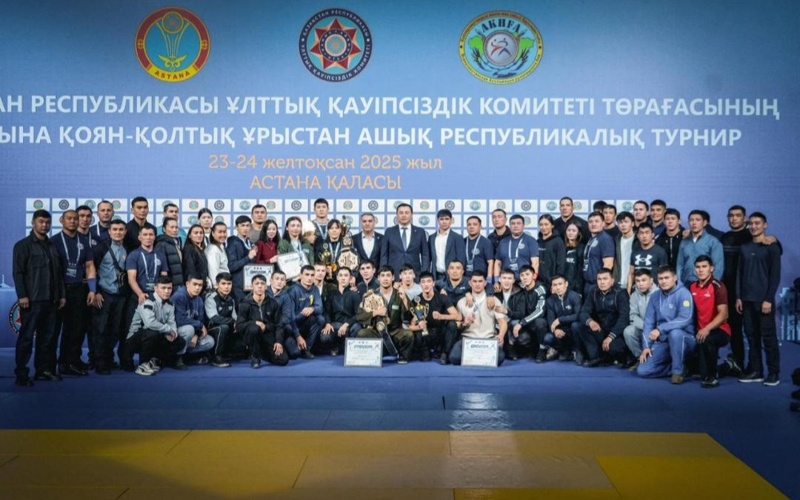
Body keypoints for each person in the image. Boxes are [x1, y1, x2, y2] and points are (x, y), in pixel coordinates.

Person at [12, 209, 66, 386]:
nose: (44, 225)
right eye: (41, 222)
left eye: (47, 222)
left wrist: (61, 295)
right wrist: (22, 295)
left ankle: (43, 371)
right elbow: (18, 273)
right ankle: (21, 374)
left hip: (52, 300)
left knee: (47, 339)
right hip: (32, 300)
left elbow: (58, 274)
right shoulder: (23, 245)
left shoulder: (52, 246)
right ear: (33, 222)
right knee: (26, 339)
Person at [737, 212, 782, 387]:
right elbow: (740, 274)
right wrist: (739, 297)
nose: (754, 226)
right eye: (751, 223)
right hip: (746, 300)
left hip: (764, 301)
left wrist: (768, 299)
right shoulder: (744, 247)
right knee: (751, 337)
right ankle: (757, 371)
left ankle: (773, 373)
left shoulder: (772, 247)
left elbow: (775, 276)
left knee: (768, 338)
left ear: (765, 225)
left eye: (757, 223)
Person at [53, 209, 97, 377]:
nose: (73, 221)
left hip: (79, 289)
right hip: (60, 290)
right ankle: (57, 364)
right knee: (56, 330)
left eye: (75, 219)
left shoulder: (84, 242)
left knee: (76, 329)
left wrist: (92, 289)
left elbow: (90, 266)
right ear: (61, 220)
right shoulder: (54, 241)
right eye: (69, 218)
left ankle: (72, 361)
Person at [636, 266, 696, 384]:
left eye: (666, 278)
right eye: (660, 278)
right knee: (643, 371)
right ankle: (682, 367)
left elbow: (685, 319)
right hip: (664, 341)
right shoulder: (655, 296)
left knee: (675, 333)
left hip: (685, 338)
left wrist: (660, 329)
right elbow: (648, 322)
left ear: (675, 278)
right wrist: (646, 346)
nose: (663, 281)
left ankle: (677, 372)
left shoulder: (684, 293)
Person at [124, 225, 168, 368]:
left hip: (155, 299)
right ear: (139, 237)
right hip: (138, 297)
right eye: (145, 235)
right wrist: (140, 293)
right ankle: (127, 360)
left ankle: (149, 360)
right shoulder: (134, 255)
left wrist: (161, 295)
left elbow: (164, 278)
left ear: (155, 237)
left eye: (151, 234)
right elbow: (131, 279)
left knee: (153, 329)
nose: (148, 237)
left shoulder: (160, 256)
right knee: (132, 329)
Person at [125, 277, 185, 376]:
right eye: (163, 288)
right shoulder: (147, 301)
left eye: (169, 288)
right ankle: (143, 365)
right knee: (152, 332)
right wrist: (168, 330)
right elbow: (150, 323)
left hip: (155, 336)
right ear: (155, 288)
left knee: (180, 341)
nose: (167, 291)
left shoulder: (170, 304)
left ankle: (154, 360)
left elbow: (172, 323)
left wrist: (172, 333)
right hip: (135, 339)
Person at [91, 219, 128, 374]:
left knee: (114, 330)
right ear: (109, 231)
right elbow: (91, 269)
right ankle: (100, 363)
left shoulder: (126, 248)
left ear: (125, 232)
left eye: (121, 229)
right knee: (101, 330)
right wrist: (95, 291)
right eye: (115, 229)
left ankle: (109, 359)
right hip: (103, 294)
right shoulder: (101, 248)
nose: (118, 232)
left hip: (120, 295)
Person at [356, 265, 415, 363]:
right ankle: (374, 355)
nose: (385, 279)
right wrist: (375, 313)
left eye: (388, 275)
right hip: (377, 332)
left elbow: (409, 317)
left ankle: (403, 356)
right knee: (362, 333)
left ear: (393, 277)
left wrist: (404, 299)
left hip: (395, 331)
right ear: (378, 278)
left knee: (408, 334)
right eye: (382, 276)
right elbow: (360, 316)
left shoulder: (399, 294)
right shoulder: (371, 295)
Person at [573, 268, 629, 367]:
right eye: (599, 279)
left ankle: (613, 357)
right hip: (600, 329)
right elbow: (583, 312)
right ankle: (596, 357)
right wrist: (590, 321)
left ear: (612, 281)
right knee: (579, 326)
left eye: (605, 279)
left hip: (616, 333)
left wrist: (611, 337)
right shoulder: (593, 292)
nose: (602, 282)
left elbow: (624, 318)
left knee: (615, 348)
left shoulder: (621, 293)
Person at [450, 271, 508, 366]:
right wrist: (465, 323)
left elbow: (502, 322)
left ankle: (473, 358)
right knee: (454, 358)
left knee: (500, 358)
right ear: (470, 283)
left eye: (480, 281)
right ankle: (480, 358)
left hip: (488, 339)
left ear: (485, 283)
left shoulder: (493, 300)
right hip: (468, 339)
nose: (477, 284)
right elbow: (457, 324)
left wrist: (501, 335)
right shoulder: (461, 302)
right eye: (475, 281)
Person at [689, 256, 731, 388]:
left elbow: (724, 314)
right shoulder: (691, 286)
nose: (701, 270)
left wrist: (707, 329)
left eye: (704, 267)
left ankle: (712, 378)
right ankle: (728, 366)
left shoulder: (718, 286)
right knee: (699, 372)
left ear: (711, 269)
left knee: (708, 339)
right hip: (700, 332)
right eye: (698, 267)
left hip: (720, 331)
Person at [237, 274, 289, 368]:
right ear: (252, 286)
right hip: (251, 336)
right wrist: (254, 323)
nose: (260, 286)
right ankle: (255, 358)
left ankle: (262, 353)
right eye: (257, 283)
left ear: (266, 286)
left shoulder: (273, 303)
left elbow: (279, 325)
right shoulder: (244, 303)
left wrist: (278, 341)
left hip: (268, 335)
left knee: (283, 360)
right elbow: (239, 325)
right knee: (255, 328)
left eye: (262, 283)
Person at [414, 272, 461, 364]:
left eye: (429, 281)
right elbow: (411, 322)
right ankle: (425, 351)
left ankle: (445, 353)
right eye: (423, 282)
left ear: (433, 283)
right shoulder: (416, 300)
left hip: (440, 332)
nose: (426, 284)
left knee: (452, 325)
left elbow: (458, 316)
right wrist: (418, 325)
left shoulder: (442, 297)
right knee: (417, 332)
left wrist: (441, 316)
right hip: (425, 333)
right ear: (420, 284)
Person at [172, 275, 216, 368]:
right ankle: (177, 357)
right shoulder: (179, 296)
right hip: (175, 333)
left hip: (191, 332)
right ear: (187, 284)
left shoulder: (199, 299)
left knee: (210, 341)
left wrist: (196, 334)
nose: (197, 288)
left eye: (200, 285)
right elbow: (180, 320)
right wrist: (199, 325)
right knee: (189, 329)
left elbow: (201, 320)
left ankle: (186, 356)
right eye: (195, 284)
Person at [508, 265, 548, 362]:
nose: (524, 277)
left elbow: (540, 311)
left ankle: (542, 350)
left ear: (534, 276)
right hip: (527, 323)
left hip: (537, 323)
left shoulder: (540, 289)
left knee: (540, 322)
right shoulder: (521, 288)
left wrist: (522, 323)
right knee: (513, 323)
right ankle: (515, 348)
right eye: (522, 275)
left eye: (527, 274)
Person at [381, 203, 430, 279]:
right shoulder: (389, 232)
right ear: (397, 215)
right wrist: (384, 274)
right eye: (401, 213)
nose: (404, 215)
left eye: (406, 213)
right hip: (394, 274)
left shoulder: (420, 232)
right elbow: (384, 255)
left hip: (415, 274)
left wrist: (424, 273)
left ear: (412, 215)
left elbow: (425, 254)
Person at [285, 265, 324, 359]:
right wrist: (298, 336)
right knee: (294, 354)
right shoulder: (292, 290)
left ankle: (307, 349)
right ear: (300, 275)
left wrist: (312, 309)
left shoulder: (315, 289)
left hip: (305, 322)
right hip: (292, 325)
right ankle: (293, 343)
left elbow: (320, 308)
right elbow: (290, 317)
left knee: (320, 319)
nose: (309, 278)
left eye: (312, 275)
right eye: (307, 274)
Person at [676, 210, 724, 286]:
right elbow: (680, 265)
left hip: (705, 284)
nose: (694, 223)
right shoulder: (684, 242)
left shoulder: (713, 242)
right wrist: (679, 283)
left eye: (698, 220)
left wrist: (712, 285)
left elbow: (718, 266)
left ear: (704, 223)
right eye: (691, 220)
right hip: (686, 283)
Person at [321, 267, 361, 356]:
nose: (343, 278)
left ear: (350, 278)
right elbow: (326, 311)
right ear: (337, 277)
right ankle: (335, 345)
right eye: (341, 275)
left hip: (350, 324)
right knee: (324, 337)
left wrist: (346, 324)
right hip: (335, 324)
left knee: (357, 328)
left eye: (346, 275)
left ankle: (350, 348)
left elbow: (358, 314)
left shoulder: (355, 295)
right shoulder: (331, 294)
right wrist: (328, 323)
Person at [623, 269, 658, 366]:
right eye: (637, 281)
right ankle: (640, 358)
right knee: (628, 331)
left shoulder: (659, 293)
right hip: (642, 327)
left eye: (643, 280)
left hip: (656, 329)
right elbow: (633, 316)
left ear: (651, 280)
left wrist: (653, 329)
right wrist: (646, 327)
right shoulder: (634, 295)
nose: (640, 284)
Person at [544, 274, 582, 361]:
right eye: (555, 285)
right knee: (548, 338)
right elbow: (550, 319)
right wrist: (555, 330)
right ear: (552, 287)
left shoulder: (575, 296)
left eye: (560, 284)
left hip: (572, 329)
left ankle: (578, 350)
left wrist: (560, 320)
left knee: (576, 326)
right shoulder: (550, 301)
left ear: (566, 284)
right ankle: (563, 351)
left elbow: (578, 315)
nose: (558, 287)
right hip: (561, 331)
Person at [494, 214, 539, 282]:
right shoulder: (503, 242)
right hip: (506, 281)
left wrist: (531, 280)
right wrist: (496, 281)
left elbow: (535, 263)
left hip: (524, 281)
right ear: (510, 226)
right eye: (513, 223)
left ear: (523, 225)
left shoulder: (531, 241)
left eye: (518, 223)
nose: (515, 226)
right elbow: (498, 263)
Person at [204, 272, 236, 367]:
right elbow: (214, 318)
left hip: (227, 329)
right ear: (217, 285)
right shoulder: (211, 298)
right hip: (211, 330)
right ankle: (216, 357)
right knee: (223, 327)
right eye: (223, 283)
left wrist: (238, 324)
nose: (226, 287)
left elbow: (235, 317)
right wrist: (232, 322)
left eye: (229, 284)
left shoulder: (231, 300)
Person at [627, 222, 668, 294]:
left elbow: (664, 273)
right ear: (638, 235)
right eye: (641, 233)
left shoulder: (660, 251)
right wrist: (628, 290)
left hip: (655, 290)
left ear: (652, 235)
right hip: (637, 290)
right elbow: (631, 273)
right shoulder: (634, 252)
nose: (644, 236)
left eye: (647, 232)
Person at [582, 212, 615, 296]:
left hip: (597, 285)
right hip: (588, 284)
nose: (593, 224)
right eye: (590, 221)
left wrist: (602, 283)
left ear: (603, 223)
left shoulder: (605, 239)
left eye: (597, 221)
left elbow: (608, 264)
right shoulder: (591, 239)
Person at [226, 215, 258, 302]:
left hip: (249, 286)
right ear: (237, 227)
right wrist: (248, 257)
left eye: (247, 225)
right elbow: (231, 266)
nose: (245, 228)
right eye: (242, 225)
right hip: (238, 287)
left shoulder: (250, 243)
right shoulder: (233, 243)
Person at [429, 209, 466, 280]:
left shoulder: (457, 237)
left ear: (451, 220)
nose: (444, 222)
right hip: (436, 276)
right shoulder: (432, 238)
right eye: (441, 219)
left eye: (447, 219)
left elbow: (461, 259)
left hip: (453, 277)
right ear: (437, 220)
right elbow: (429, 258)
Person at [155, 217, 184, 290]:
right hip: (168, 288)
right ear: (164, 229)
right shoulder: (161, 245)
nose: (175, 230)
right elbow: (160, 268)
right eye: (172, 227)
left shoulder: (176, 243)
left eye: (176, 227)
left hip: (179, 285)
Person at [537, 214, 566, 286]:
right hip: (538, 282)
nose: (543, 227)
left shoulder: (558, 241)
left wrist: (557, 281)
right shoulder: (537, 242)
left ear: (552, 225)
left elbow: (561, 263)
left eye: (546, 224)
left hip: (553, 282)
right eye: (541, 225)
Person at [612, 211, 636, 291]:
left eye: (626, 222)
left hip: (636, 284)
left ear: (632, 223)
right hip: (618, 283)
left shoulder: (638, 240)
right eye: (620, 222)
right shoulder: (615, 241)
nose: (623, 225)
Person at [182, 224, 210, 290]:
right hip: (195, 286)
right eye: (196, 233)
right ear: (189, 235)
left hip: (201, 285)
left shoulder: (201, 249)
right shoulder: (189, 249)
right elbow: (190, 270)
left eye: (201, 233)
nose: (199, 235)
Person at [205, 221, 230, 289]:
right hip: (218, 288)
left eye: (224, 232)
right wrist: (217, 288)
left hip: (224, 285)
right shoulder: (213, 250)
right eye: (220, 232)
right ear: (213, 233)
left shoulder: (221, 246)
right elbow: (213, 272)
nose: (223, 234)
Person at [563, 222, 585, 296]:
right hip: (562, 286)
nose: (571, 233)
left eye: (574, 230)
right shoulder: (561, 247)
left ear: (579, 233)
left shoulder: (582, 248)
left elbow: (581, 271)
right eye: (569, 230)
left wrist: (579, 290)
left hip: (576, 288)